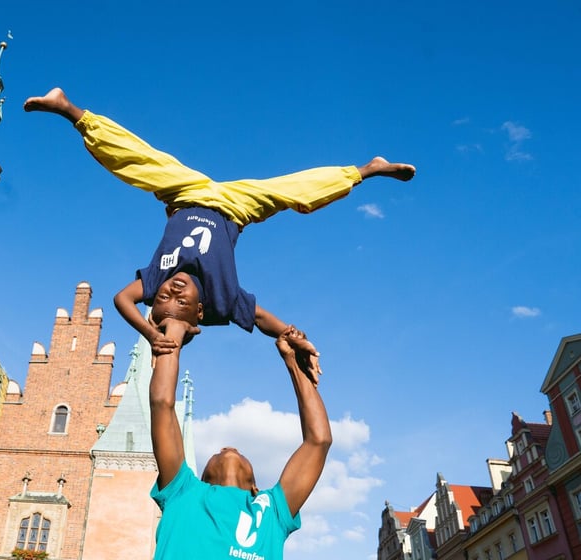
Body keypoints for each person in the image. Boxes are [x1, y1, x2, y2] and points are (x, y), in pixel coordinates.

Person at [24, 88, 415, 383]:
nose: (171, 291)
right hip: (234, 208)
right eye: (178, 301)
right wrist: (293, 337)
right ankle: (367, 169)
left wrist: (148, 332)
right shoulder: (222, 301)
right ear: (199, 313)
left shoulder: (156, 281)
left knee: (141, 162)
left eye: (161, 298)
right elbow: (263, 320)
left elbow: (121, 298)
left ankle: (69, 110)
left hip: (185, 193)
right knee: (295, 192)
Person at [148, 321, 331, 559]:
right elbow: (162, 404)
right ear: (202, 479)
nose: (229, 448)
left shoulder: (271, 509)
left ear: (256, 489)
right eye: (217, 452)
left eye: (240, 452)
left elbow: (319, 441)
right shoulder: (183, 491)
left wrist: (295, 363)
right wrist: (174, 330)